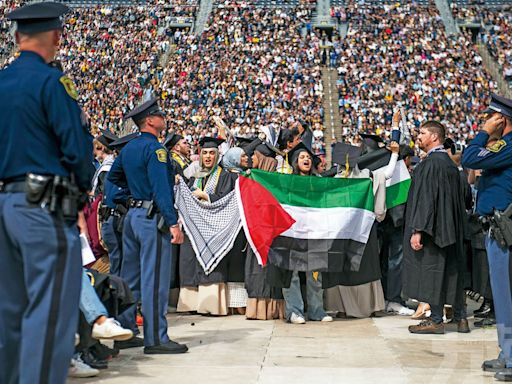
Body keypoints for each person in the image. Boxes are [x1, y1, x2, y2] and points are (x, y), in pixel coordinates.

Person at [0, 3, 95, 383]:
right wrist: (82, 191)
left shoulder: (2, 83)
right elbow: (76, 150)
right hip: (43, 208)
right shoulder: (53, 83)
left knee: (9, 311)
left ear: (18, 37)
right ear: (56, 37)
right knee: (49, 313)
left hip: (6, 205)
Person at [108, 97, 187, 354]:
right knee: (154, 280)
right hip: (152, 219)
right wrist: (173, 223)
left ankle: (126, 331)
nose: (164, 118)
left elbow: (113, 177)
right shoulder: (157, 150)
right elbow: (161, 190)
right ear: (150, 121)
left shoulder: (129, 148)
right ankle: (156, 338)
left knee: (130, 278)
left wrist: (129, 196)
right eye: (160, 115)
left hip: (131, 217)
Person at [461, 94, 512, 382]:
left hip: (505, 229)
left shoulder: (508, 144)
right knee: (503, 298)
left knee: (506, 297)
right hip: (497, 230)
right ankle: (507, 353)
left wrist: (484, 133)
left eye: (491, 117)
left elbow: (469, 158)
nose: (486, 121)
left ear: (501, 119)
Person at [404, 120, 469, 334]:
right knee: (452, 272)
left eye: (422, 133)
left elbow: (426, 199)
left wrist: (418, 230)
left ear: (434, 137)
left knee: (433, 272)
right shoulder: (452, 165)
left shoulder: (430, 164)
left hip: (434, 230)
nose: (418, 137)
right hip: (453, 229)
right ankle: (460, 319)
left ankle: (435, 319)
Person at [177, 136, 237, 316]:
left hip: (214, 229)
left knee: (212, 267)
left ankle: (211, 305)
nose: (208, 157)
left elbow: (228, 199)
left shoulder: (225, 176)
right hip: (194, 228)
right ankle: (190, 304)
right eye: (205, 153)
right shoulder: (195, 176)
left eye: (212, 153)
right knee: (189, 261)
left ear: (218, 155)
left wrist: (206, 197)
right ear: (200, 156)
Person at [281, 143, 332, 324]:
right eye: (302, 157)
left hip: (314, 233)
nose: (306, 160)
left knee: (315, 274)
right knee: (292, 274)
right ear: (295, 161)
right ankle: (294, 311)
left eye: (309, 158)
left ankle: (317, 310)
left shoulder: (318, 182)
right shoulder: (287, 183)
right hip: (292, 234)